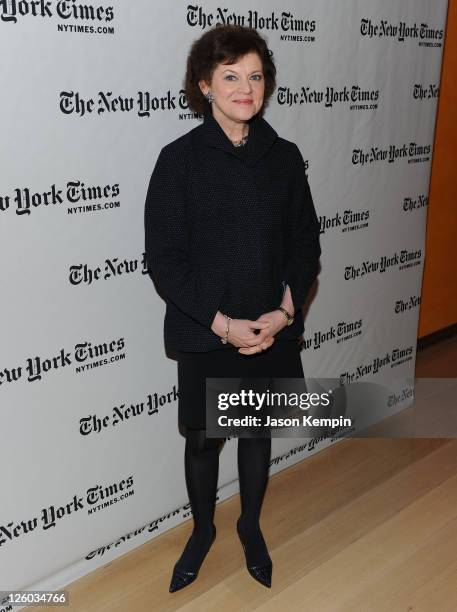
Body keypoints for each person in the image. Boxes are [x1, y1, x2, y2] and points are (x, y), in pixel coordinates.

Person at [144, 24, 321, 592]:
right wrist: (223, 325)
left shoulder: (286, 157)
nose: (246, 88)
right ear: (205, 84)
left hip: (270, 328)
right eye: (231, 76)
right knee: (203, 437)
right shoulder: (178, 160)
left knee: (255, 433)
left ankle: (249, 526)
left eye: (255, 75)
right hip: (206, 330)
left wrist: (283, 314)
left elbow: (305, 243)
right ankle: (202, 530)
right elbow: (166, 260)